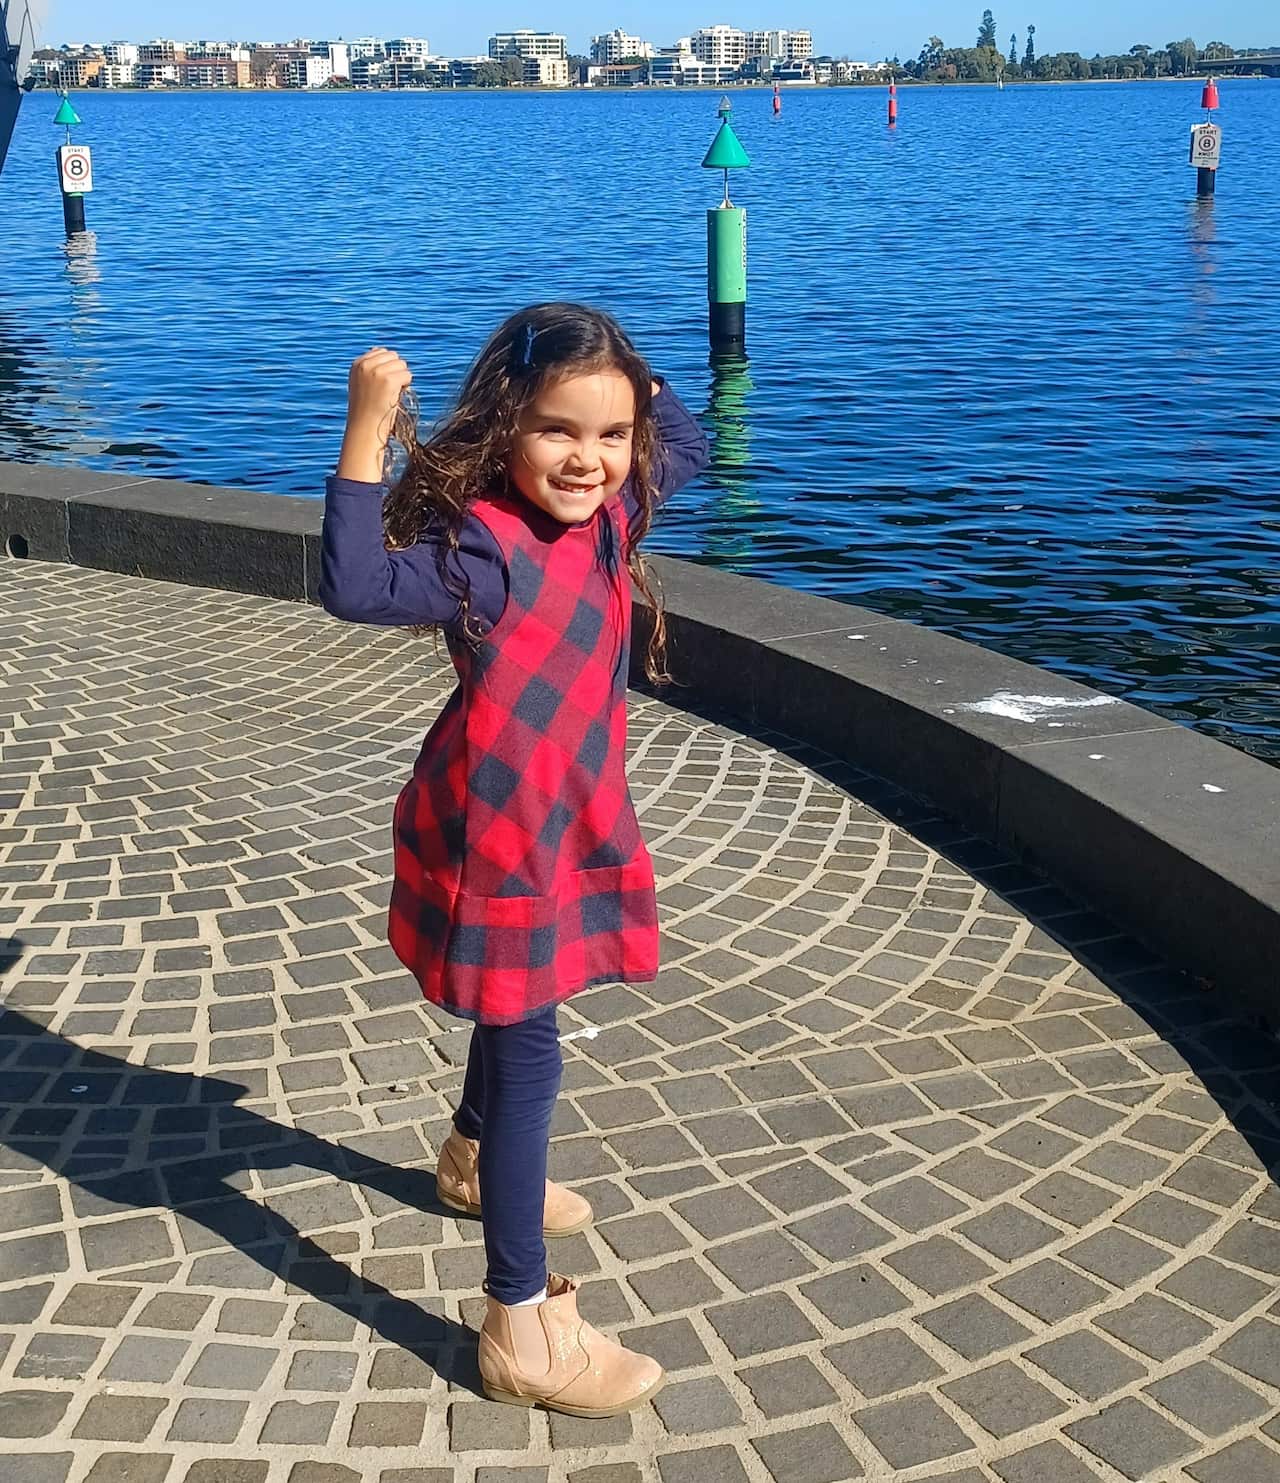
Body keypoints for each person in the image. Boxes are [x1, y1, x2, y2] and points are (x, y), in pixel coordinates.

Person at [319, 303, 709, 1418]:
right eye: (555, 431)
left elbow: (681, 439)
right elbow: (352, 585)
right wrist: (367, 423)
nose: (587, 459)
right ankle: (519, 1322)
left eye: (610, 435)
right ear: (503, 427)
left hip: (567, 814)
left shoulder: (613, 514)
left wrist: (601, 346)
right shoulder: (484, 543)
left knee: (515, 1014)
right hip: (500, 832)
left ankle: (471, 1160)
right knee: (530, 1037)